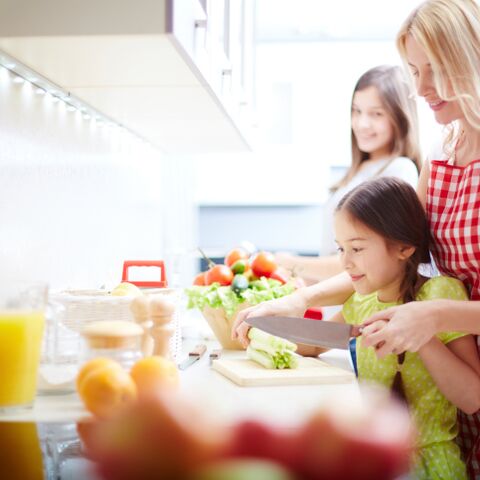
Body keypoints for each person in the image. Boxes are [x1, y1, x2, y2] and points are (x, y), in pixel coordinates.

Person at [233, 0, 480, 476]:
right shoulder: (444, 156)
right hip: (457, 384)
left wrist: (434, 315)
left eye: (435, 70)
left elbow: (429, 306)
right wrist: (293, 302)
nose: (422, 89)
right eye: (414, 71)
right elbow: (389, 259)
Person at [275, 64, 421, 284]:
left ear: (400, 117)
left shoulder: (399, 170)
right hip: (338, 309)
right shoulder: (357, 172)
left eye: (376, 114)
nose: (362, 123)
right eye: (357, 111)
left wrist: (291, 263)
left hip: (365, 312)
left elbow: (367, 261)